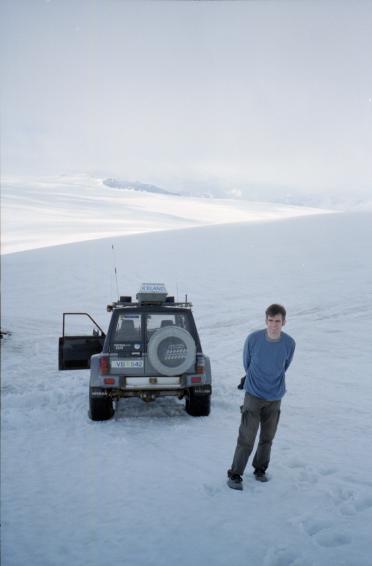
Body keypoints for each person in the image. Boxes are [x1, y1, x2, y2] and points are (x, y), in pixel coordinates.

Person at [227, 304, 296, 490]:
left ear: (284, 322)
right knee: (246, 437)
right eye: (271, 321)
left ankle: (260, 469)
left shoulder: (289, 343)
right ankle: (235, 474)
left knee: (267, 437)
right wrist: (255, 381)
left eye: (278, 321)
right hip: (254, 395)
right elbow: (247, 364)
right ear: (266, 320)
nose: (274, 325)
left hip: (275, 397)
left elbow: (285, 365)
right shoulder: (253, 339)